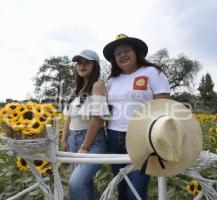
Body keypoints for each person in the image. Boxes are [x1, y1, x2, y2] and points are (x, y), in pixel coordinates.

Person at [103, 34, 170, 200]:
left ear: (137, 52)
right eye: (117, 53)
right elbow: (104, 108)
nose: (122, 55)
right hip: (113, 137)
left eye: (126, 50)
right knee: (121, 189)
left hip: (142, 138)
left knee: (136, 192)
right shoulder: (112, 80)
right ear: (114, 59)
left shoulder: (153, 72)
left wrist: (157, 137)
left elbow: (163, 106)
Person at [61, 49, 110, 200]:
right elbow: (69, 118)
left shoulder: (98, 85)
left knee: (76, 183)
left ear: (94, 66)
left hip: (91, 141)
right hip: (73, 140)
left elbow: (97, 119)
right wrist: (64, 140)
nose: (81, 66)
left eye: (86, 62)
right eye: (79, 63)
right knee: (85, 184)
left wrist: (85, 147)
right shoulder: (76, 89)